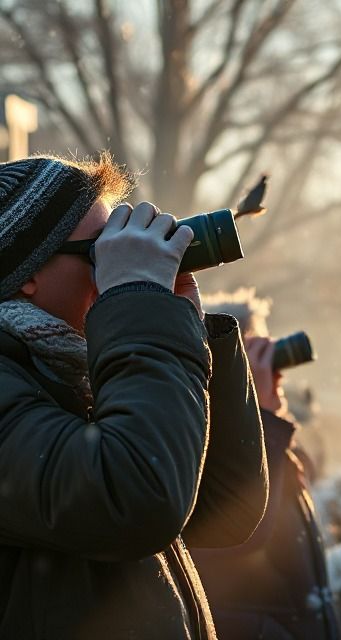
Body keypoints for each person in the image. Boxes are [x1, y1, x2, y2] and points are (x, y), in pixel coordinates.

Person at [0, 154, 268, 639]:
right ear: (27, 273)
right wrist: (142, 307)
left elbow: (225, 507)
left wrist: (185, 326)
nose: (115, 262)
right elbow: (136, 496)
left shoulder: (73, 372)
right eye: (100, 250)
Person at [190, 288, 341, 640]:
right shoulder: (202, 447)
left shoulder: (275, 445)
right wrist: (257, 415)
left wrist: (269, 420)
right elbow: (240, 534)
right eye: (251, 358)